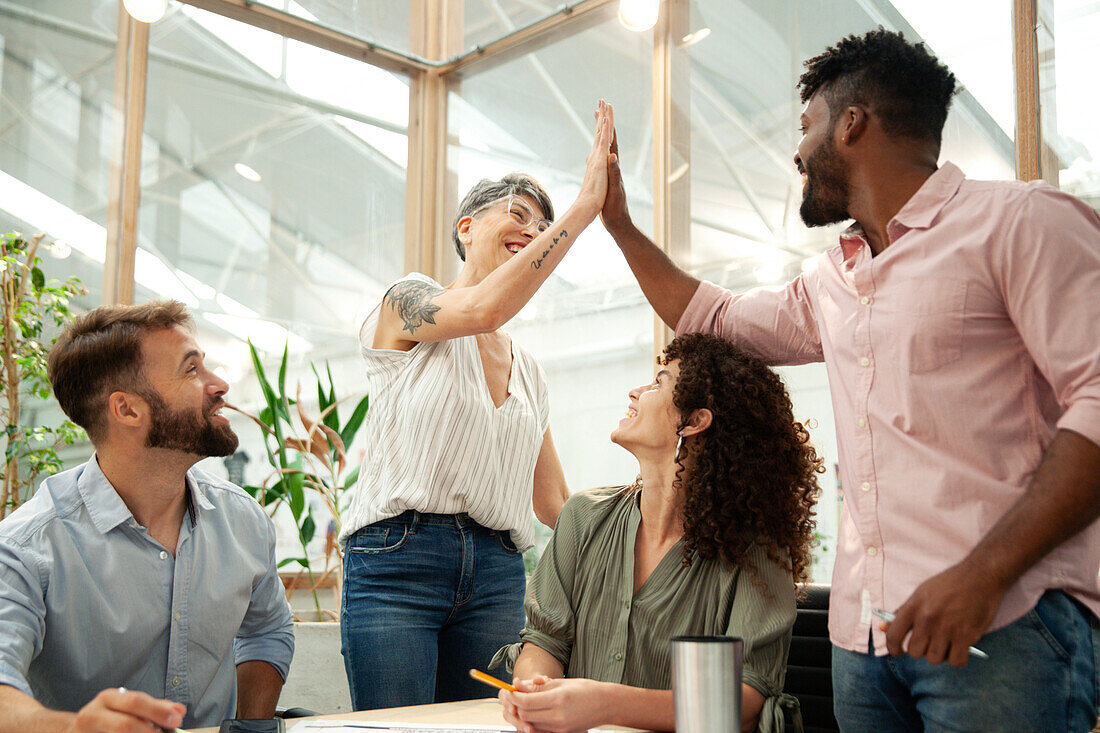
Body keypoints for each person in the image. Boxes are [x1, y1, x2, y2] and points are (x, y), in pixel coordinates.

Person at [599, 28, 1100, 732]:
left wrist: (984, 573)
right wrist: (618, 222)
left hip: (1005, 625)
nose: (798, 151)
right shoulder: (833, 280)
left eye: (806, 126)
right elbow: (711, 317)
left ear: (853, 122)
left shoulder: (1020, 222)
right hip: (862, 647)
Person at [339, 101, 615, 710]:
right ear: (466, 227)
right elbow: (483, 309)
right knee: (397, 730)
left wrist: (647, 524)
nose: (532, 232)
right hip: (396, 563)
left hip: (496, 575)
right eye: (518, 215)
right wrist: (581, 209)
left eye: (542, 228)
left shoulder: (529, 372)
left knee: (481, 729)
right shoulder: (407, 302)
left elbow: (552, 504)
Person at [493, 333, 821, 733]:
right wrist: (534, 691)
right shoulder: (583, 517)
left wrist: (603, 705)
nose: (636, 391)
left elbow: (744, 701)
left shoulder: (756, 550)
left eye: (658, 383)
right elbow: (544, 642)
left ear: (696, 421)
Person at [0, 300, 294, 730]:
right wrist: (72, 729)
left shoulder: (243, 520)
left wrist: (249, 726)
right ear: (128, 410)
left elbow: (266, 632)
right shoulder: (27, 547)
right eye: (191, 370)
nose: (220, 384)